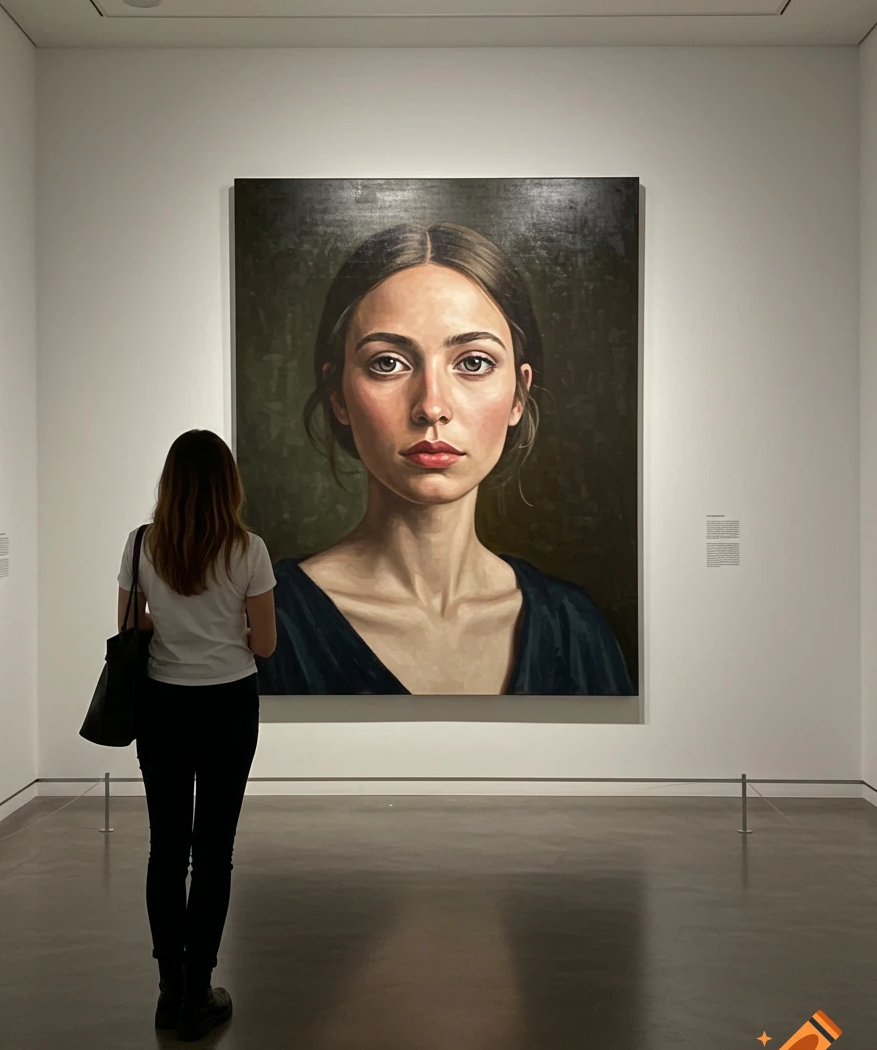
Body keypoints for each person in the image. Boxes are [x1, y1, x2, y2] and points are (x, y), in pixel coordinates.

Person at [257, 222, 634, 697]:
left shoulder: (575, 628)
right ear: (338, 395)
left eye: (473, 363)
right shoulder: (264, 622)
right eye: (388, 363)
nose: (432, 406)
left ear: (520, 394)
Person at [117, 430, 277, 1041]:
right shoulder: (249, 550)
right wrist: (220, 624)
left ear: (170, 482)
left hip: (160, 704)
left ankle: (166, 992)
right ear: (226, 485)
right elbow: (262, 643)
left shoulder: (141, 545)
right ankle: (196, 991)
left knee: (166, 848)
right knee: (214, 852)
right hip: (227, 707)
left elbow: (131, 626)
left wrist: (177, 621)